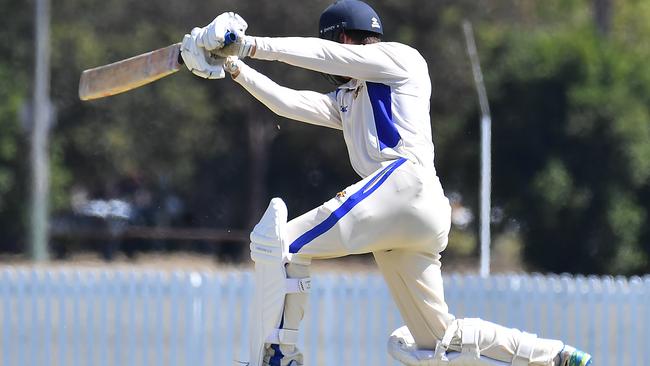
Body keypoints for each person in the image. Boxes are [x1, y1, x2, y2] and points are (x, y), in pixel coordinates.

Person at [179, 1, 593, 366]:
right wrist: (233, 67)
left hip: (403, 184)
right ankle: (555, 357)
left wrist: (248, 44)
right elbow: (288, 101)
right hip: (414, 216)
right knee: (438, 342)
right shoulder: (350, 99)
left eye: (338, 45)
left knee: (282, 245)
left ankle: (280, 356)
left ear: (345, 38)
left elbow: (323, 55)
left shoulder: (400, 60)